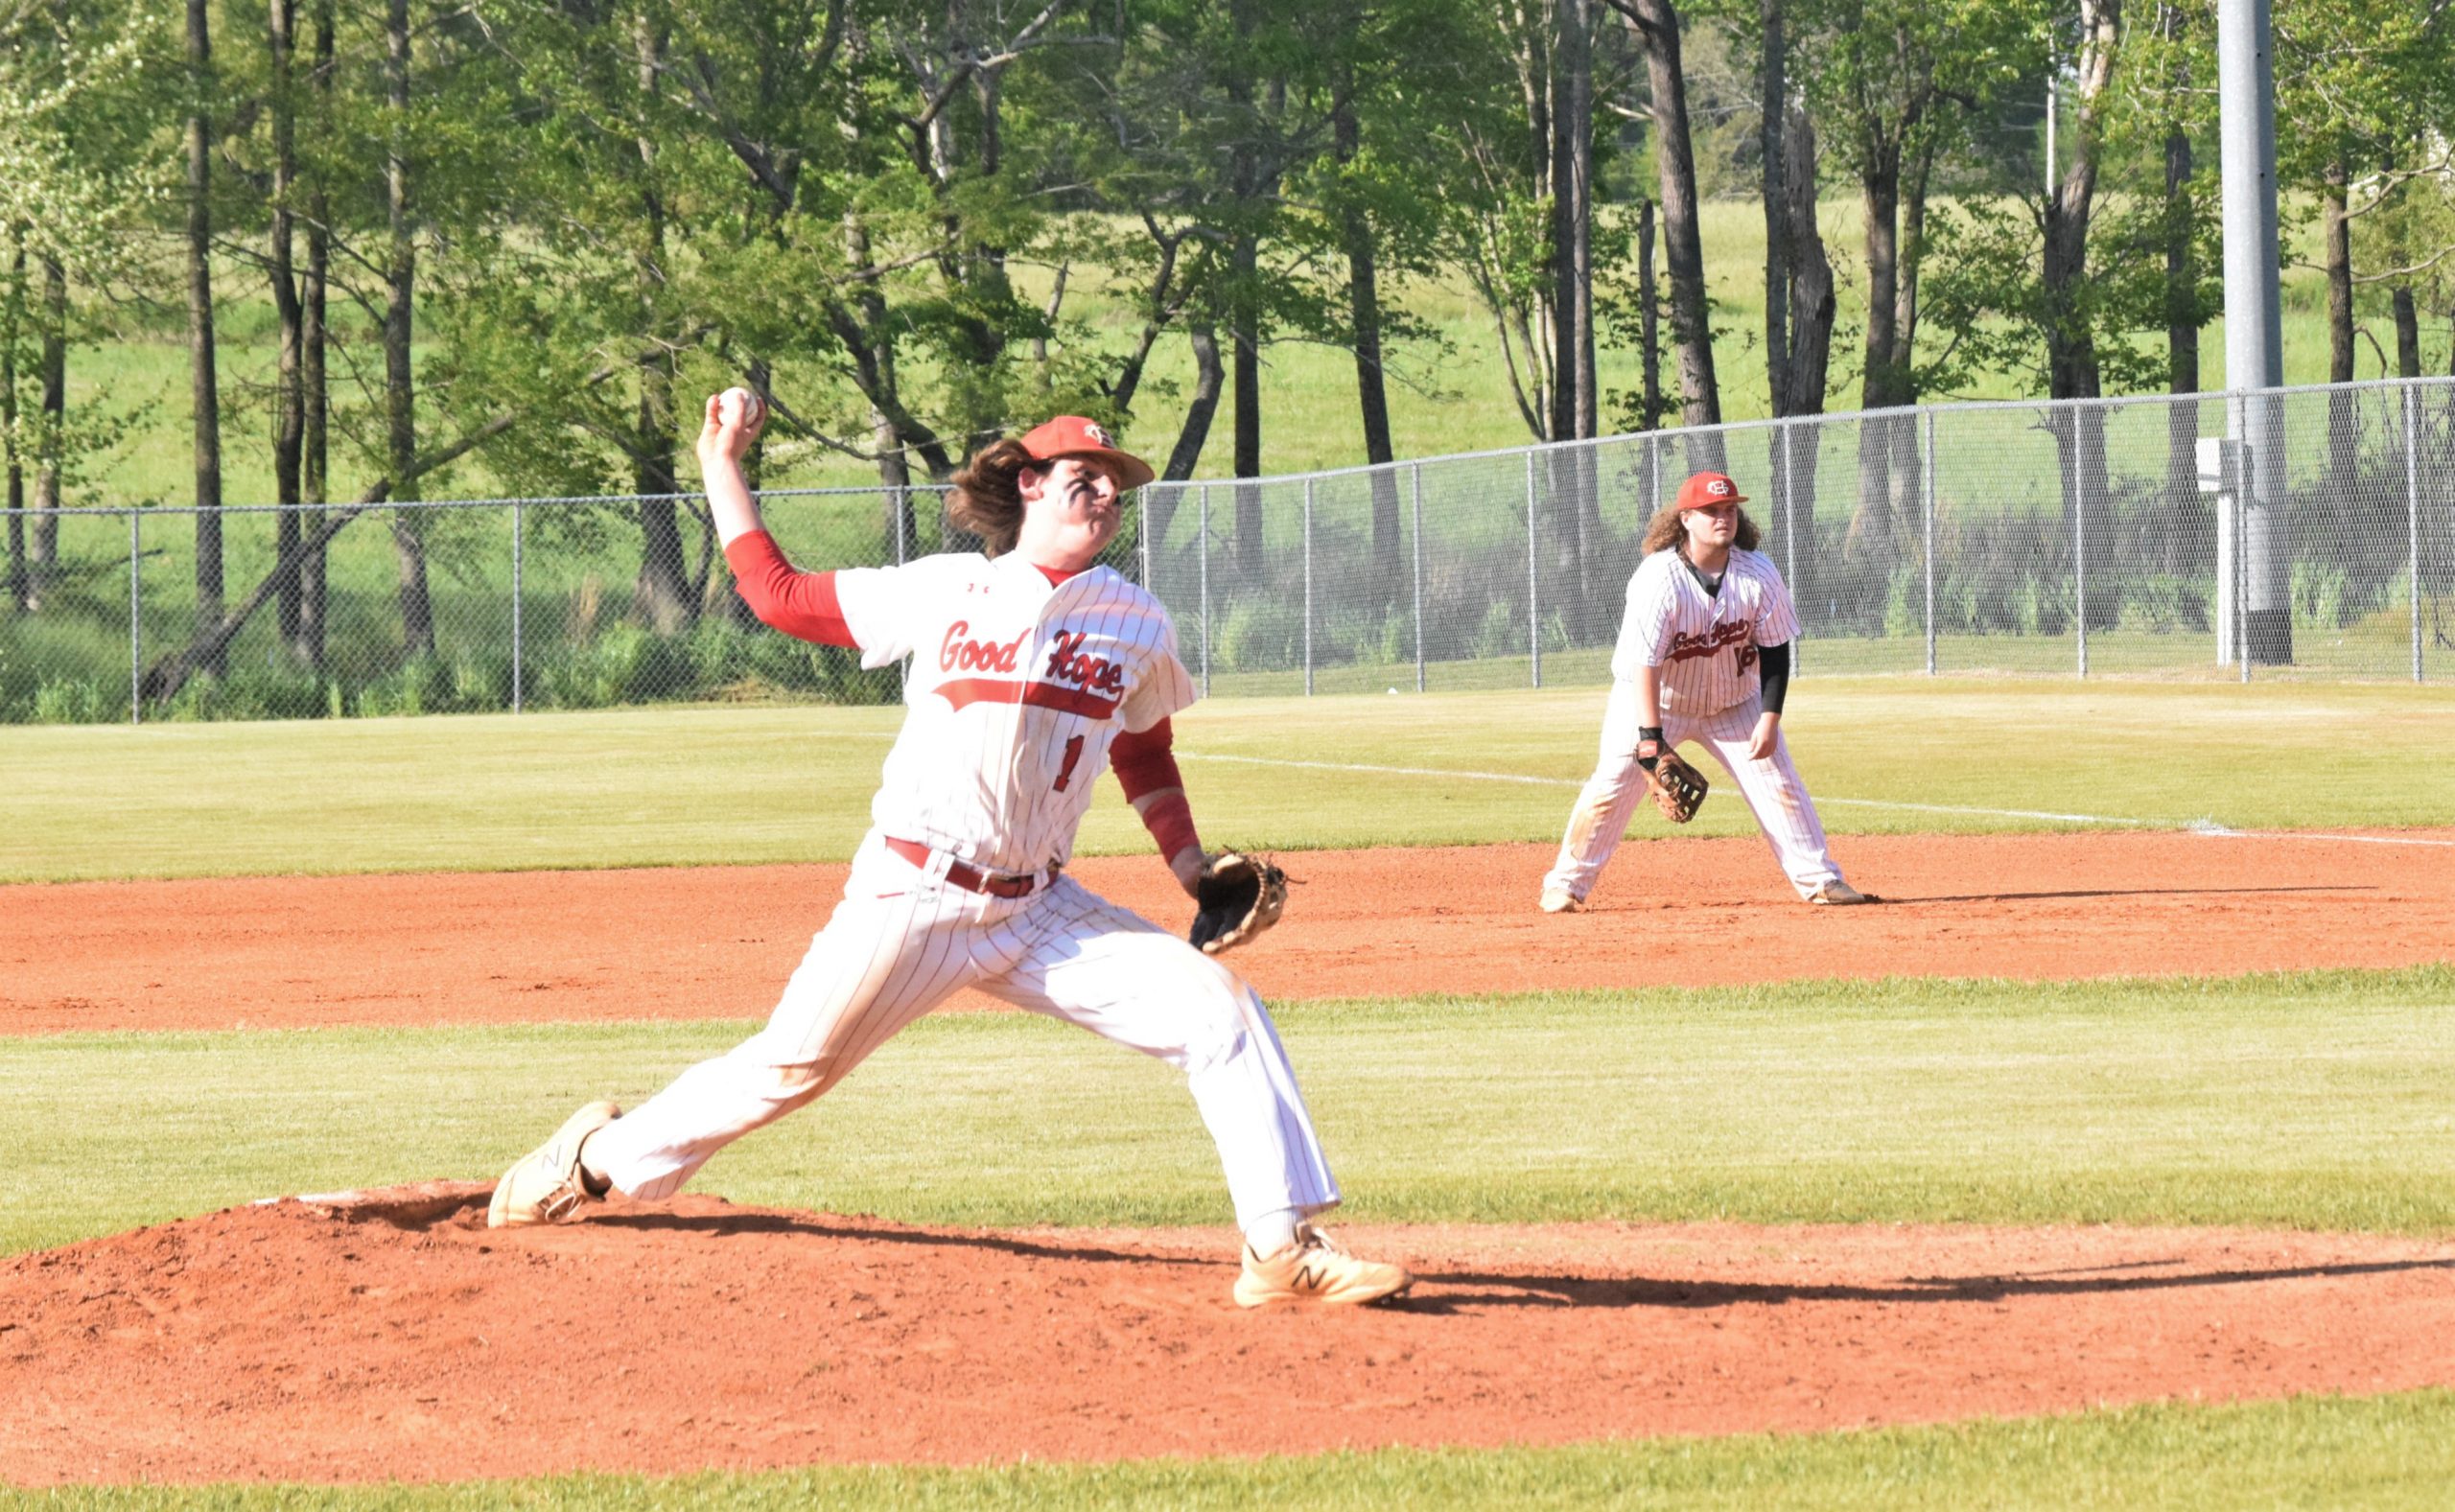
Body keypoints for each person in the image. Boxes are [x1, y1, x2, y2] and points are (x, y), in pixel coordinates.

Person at [487, 392, 1413, 1309]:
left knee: (1219, 1009)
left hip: (1040, 910)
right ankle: (590, 1159)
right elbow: (778, 597)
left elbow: (1141, 750)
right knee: (786, 1071)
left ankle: (1278, 1248)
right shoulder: (945, 589)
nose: (1105, 494)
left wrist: (1189, 866)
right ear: (1030, 484)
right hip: (914, 894)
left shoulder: (1137, 620)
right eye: (1086, 475)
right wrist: (720, 461)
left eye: (1116, 484)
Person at [1539, 469, 1871, 912]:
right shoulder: (1658, 579)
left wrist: (1769, 718)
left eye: (1730, 509)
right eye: (1711, 510)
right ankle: (1565, 885)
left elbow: (1775, 649)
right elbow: (1644, 664)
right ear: (1686, 519)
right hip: (1656, 700)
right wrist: (1650, 739)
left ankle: (1821, 880)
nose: (1723, 517)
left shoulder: (1758, 574)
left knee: (1780, 783)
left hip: (1734, 703)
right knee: (1612, 785)